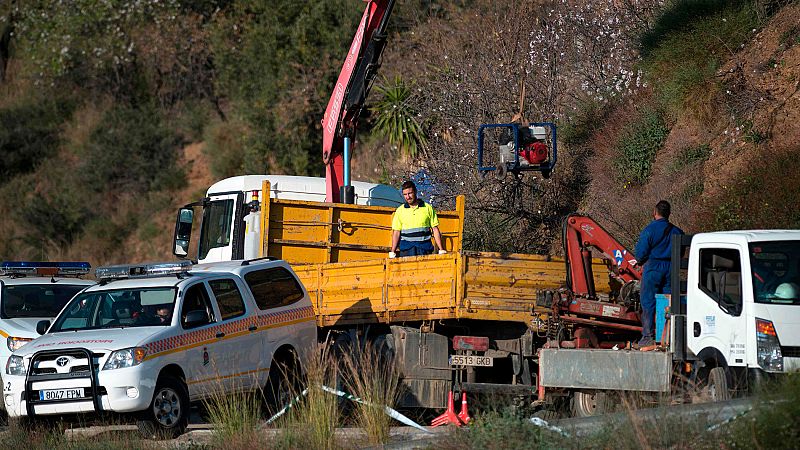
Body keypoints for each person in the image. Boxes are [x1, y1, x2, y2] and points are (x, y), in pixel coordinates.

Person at [634, 200, 684, 347]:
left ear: (655, 213)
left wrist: (641, 261)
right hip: (671, 268)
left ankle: (648, 336)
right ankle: (669, 336)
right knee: (669, 301)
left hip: (653, 267)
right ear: (669, 214)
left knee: (648, 302)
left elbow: (640, 254)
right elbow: (680, 253)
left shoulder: (649, 230)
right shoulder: (678, 232)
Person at [389, 180, 446, 258]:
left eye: (410, 193)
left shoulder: (427, 208)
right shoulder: (400, 211)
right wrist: (393, 251)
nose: (407, 197)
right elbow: (396, 232)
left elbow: (435, 229)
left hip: (424, 249)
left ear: (415, 192)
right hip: (406, 250)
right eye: (405, 194)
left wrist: (441, 249)